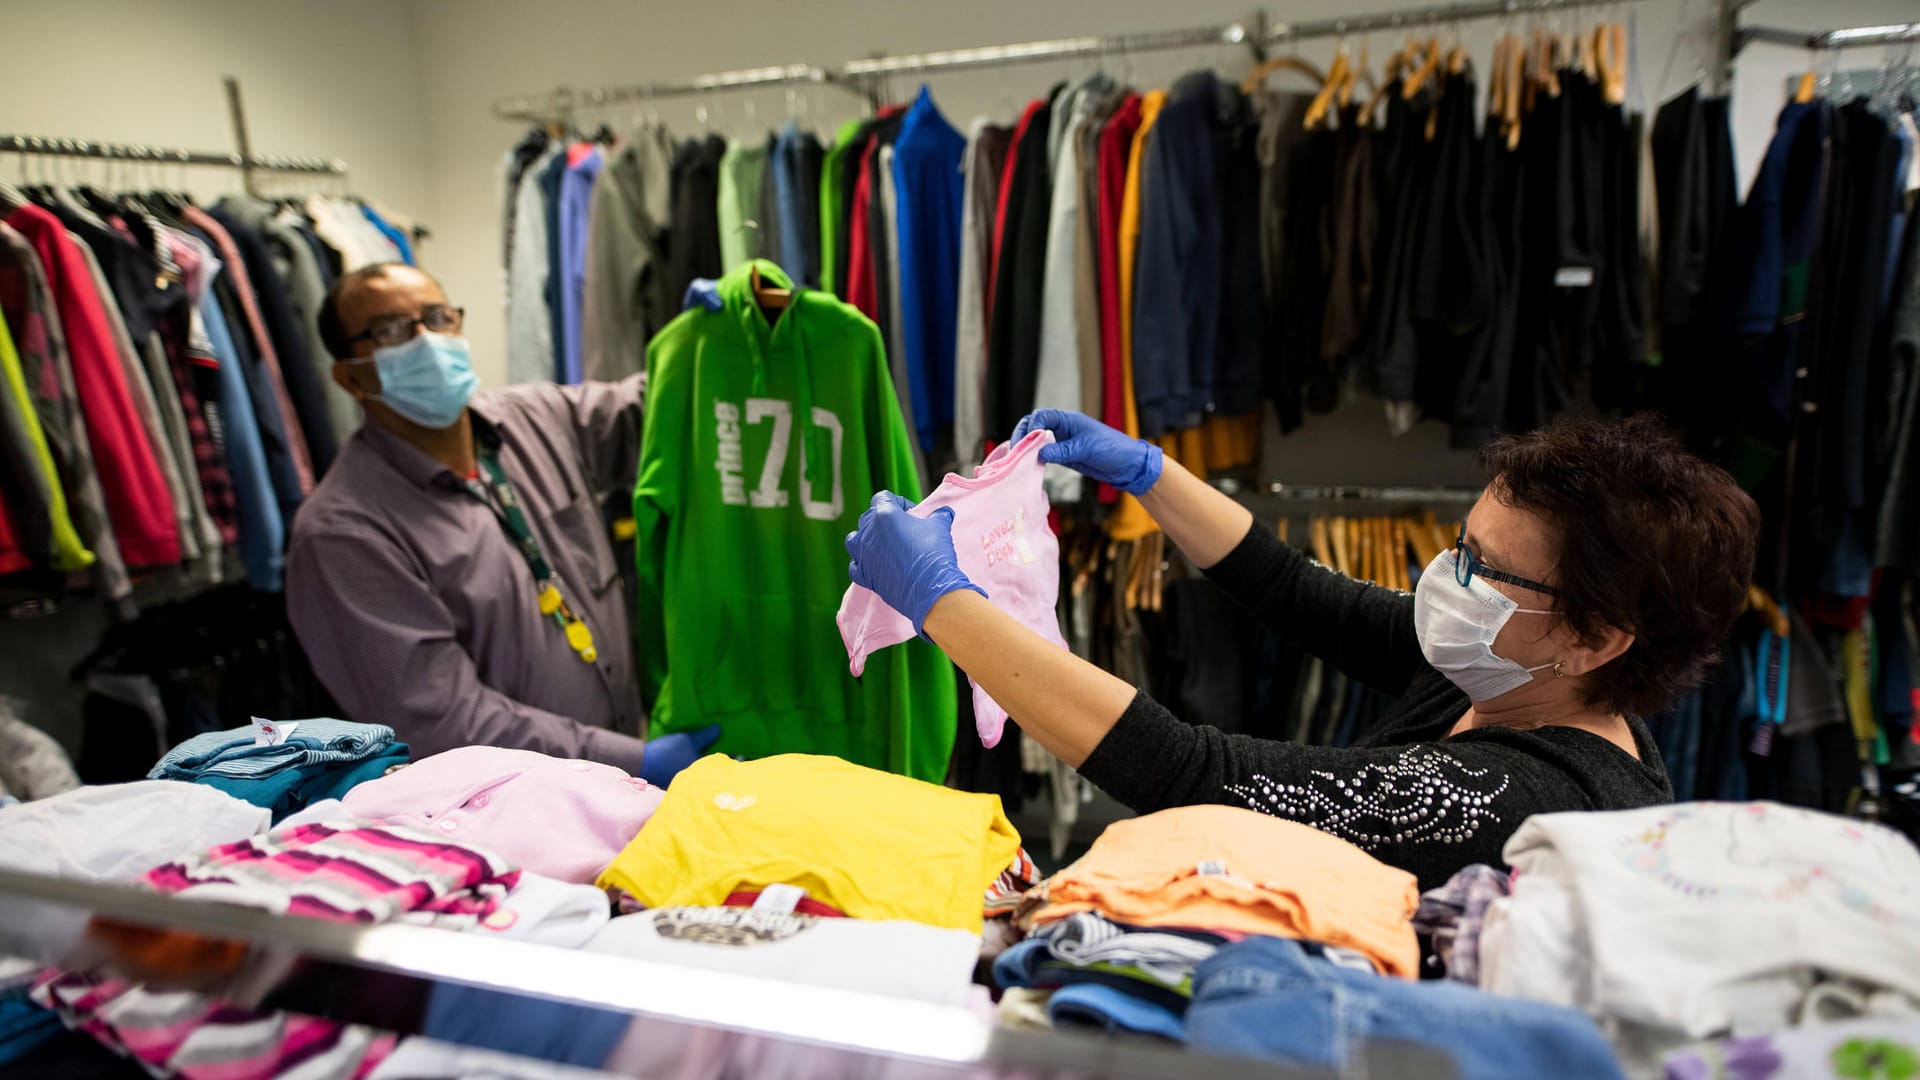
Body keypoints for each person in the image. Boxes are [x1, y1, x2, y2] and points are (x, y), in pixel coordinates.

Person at [846, 409, 1761, 888]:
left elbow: (1190, 771)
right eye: (1460, 545)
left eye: (1485, 569)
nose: (1447, 579)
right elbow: (1290, 587)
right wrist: (1146, 472)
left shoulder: (1521, 796)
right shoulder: (1505, 670)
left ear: (1596, 637)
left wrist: (944, 603)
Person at [286, 263, 717, 786]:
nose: (427, 340)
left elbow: (658, 410)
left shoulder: (534, 419)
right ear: (350, 376)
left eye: (438, 317)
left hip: (625, 771)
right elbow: (444, 719)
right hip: (498, 817)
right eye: (392, 330)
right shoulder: (343, 534)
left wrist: (703, 342)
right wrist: (632, 759)